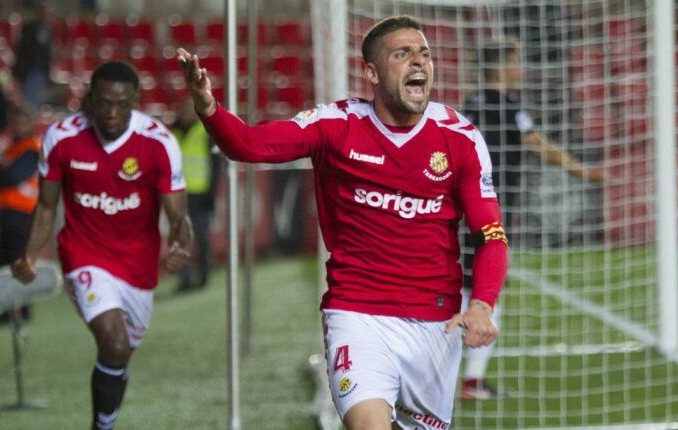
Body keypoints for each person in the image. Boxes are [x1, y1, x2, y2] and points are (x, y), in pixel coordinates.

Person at [179, 15, 509, 430]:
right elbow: (249, 145)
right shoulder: (335, 126)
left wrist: (480, 303)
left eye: (424, 53)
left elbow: (491, 236)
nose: (419, 62)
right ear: (371, 72)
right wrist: (208, 106)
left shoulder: (460, 137)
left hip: (436, 324)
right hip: (358, 314)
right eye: (403, 54)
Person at [11, 61, 192, 430]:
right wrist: (29, 255)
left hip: (138, 268)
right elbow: (46, 206)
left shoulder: (159, 143)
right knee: (113, 343)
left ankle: (104, 418)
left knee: (121, 353)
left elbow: (178, 216)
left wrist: (180, 243)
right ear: (90, 99)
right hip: (84, 255)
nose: (111, 113)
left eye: (121, 104)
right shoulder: (61, 137)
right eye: (104, 103)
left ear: (135, 102)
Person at [458, 38, 604, 400]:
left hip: (460, 208)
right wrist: (582, 171)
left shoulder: (469, 106)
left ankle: (455, 377)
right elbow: (538, 143)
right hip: (489, 210)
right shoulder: (510, 107)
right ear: (505, 66)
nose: (521, 69)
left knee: (460, 288)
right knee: (487, 292)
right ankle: (470, 381)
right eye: (517, 62)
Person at [0, 106, 40, 324]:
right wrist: (2, 174)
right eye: (16, 122)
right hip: (7, 211)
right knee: (2, 261)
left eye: (23, 121)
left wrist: (2, 173)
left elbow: (9, 177)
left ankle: (24, 309)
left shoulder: (31, 148)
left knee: (18, 261)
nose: (19, 126)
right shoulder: (12, 148)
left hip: (23, 213)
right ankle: (7, 310)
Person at [171, 99, 219, 292]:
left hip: (200, 193)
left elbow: (215, 165)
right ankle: (186, 278)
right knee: (181, 238)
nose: (186, 114)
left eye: (189, 110)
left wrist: (212, 193)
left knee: (201, 236)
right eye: (183, 110)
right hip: (178, 194)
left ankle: (205, 273)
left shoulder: (204, 132)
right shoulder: (172, 132)